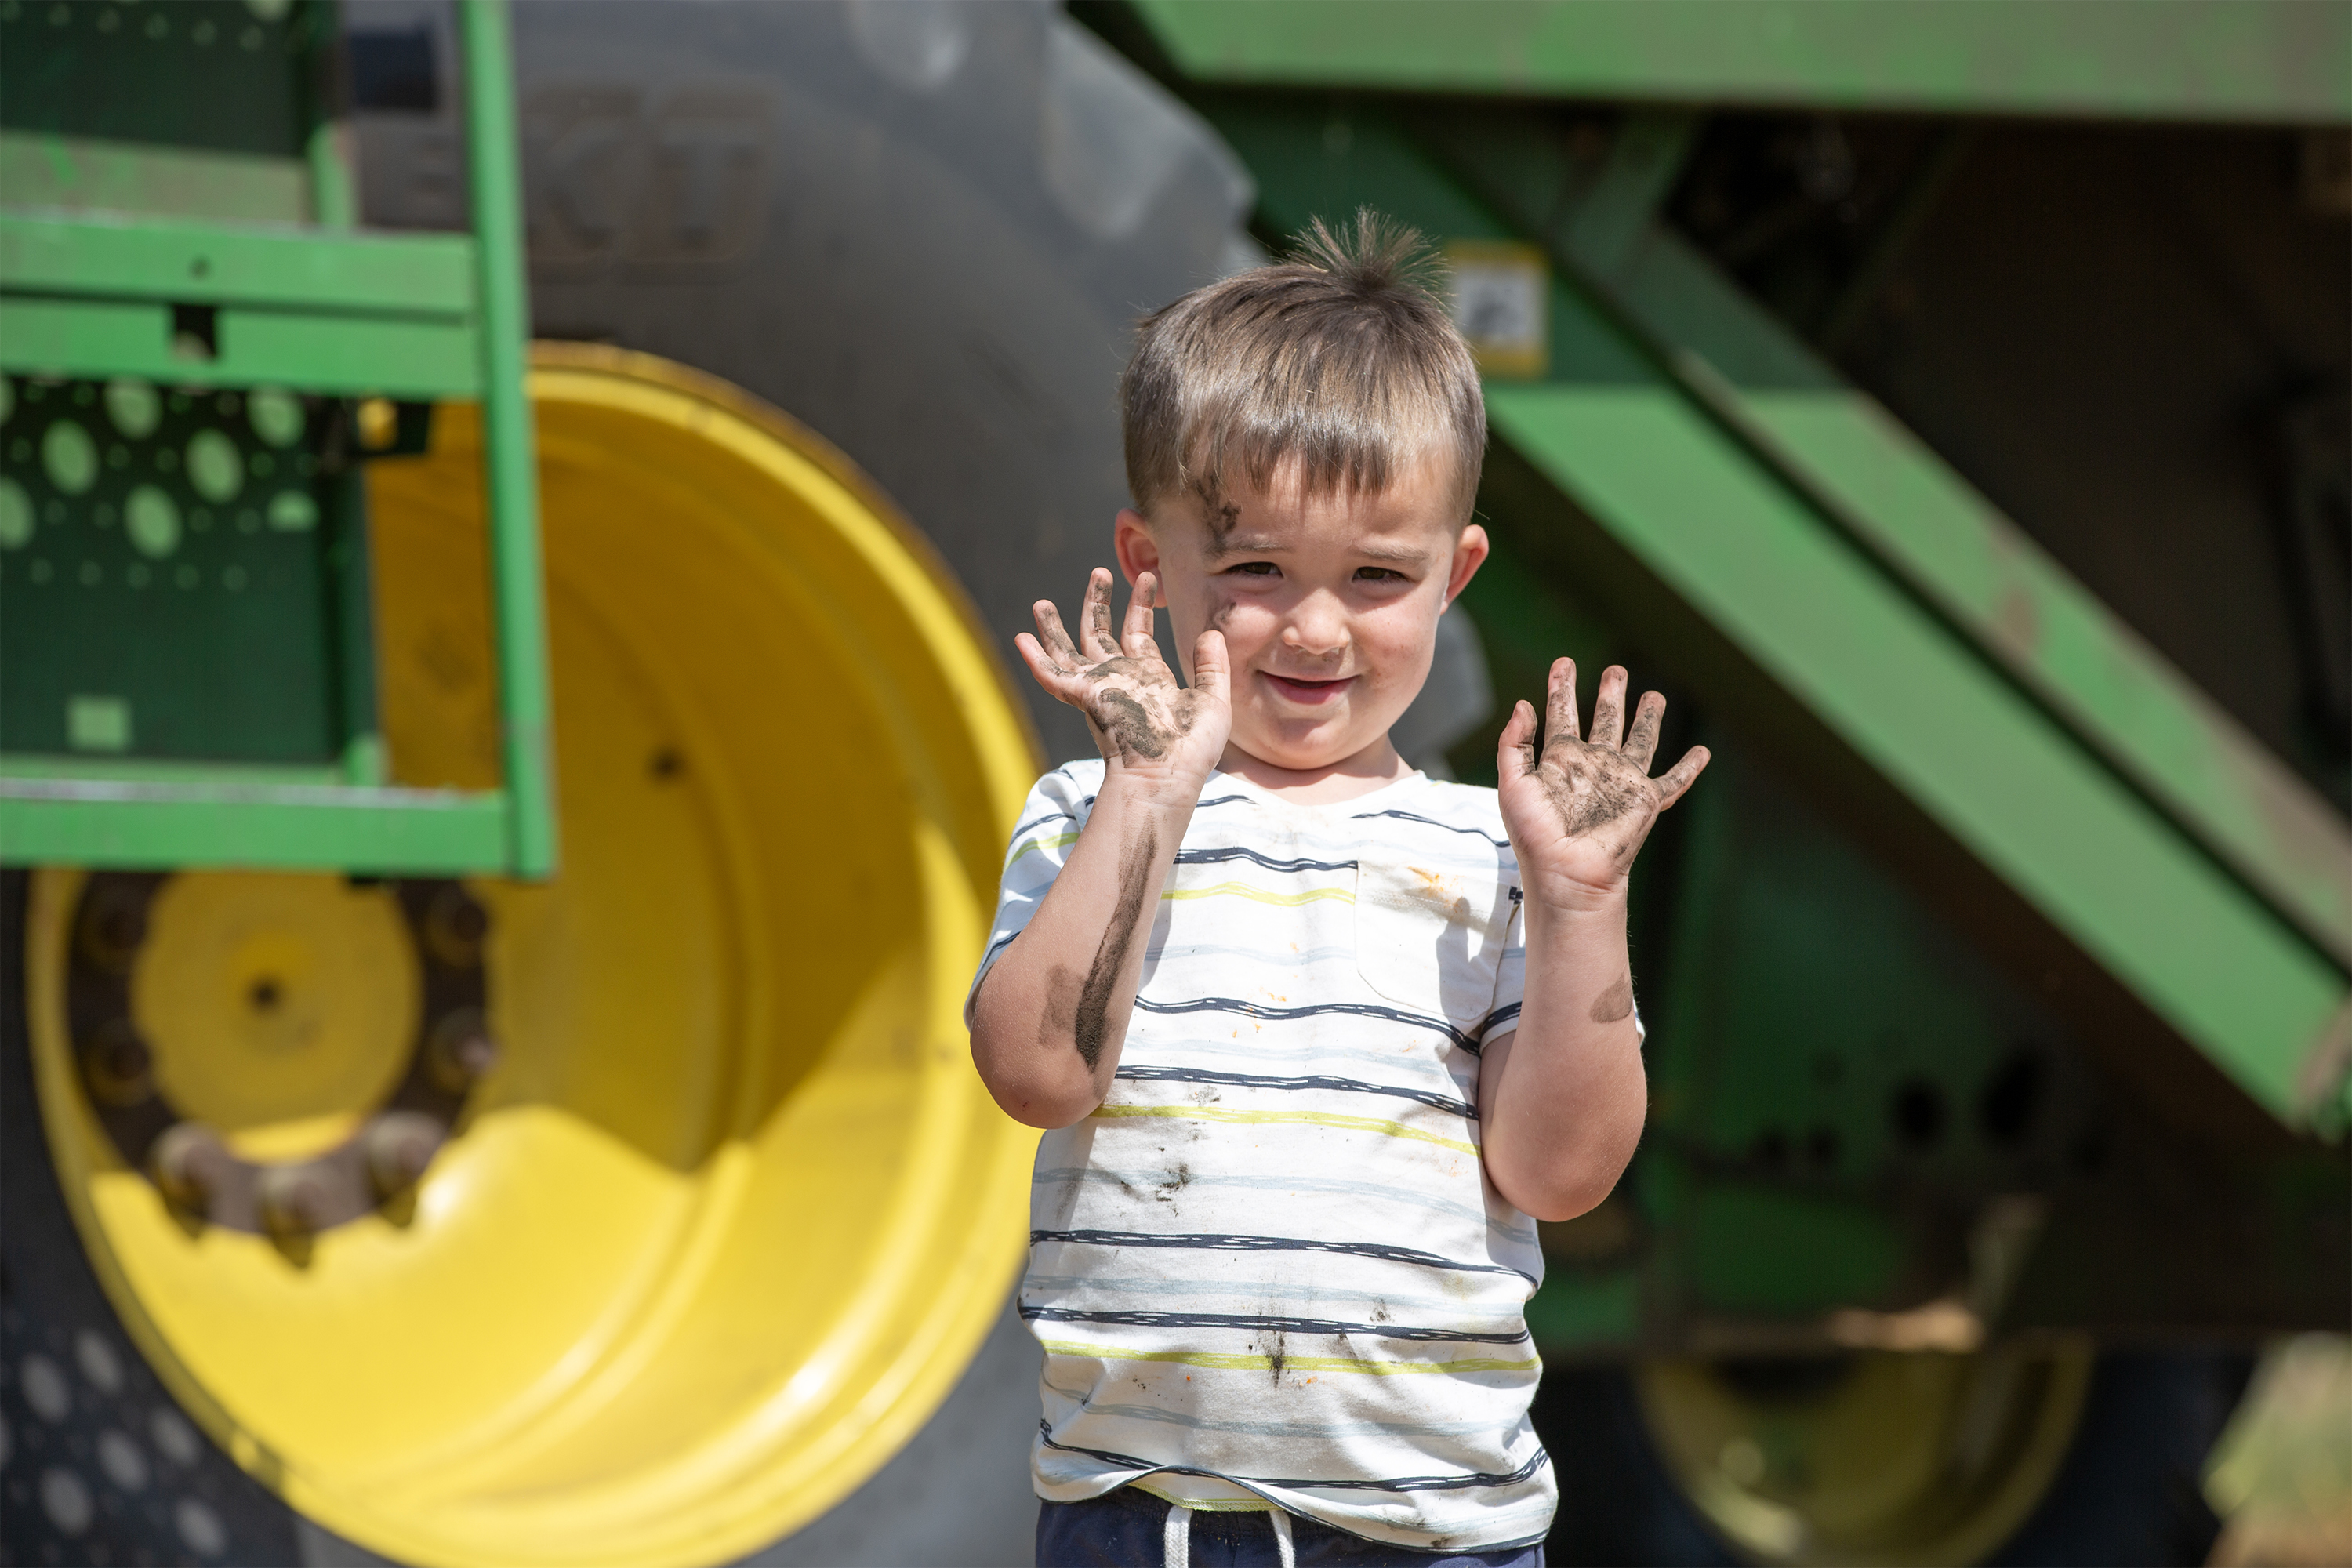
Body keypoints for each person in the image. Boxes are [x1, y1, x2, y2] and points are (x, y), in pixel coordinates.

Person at [967, 210, 1708, 1568]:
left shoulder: (1496, 857)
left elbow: (1561, 1171)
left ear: (1456, 575)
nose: (1315, 628)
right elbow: (1035, 1076)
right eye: (1254, 570)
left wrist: (1584, 905)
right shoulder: (1094, 813)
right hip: (1146, 1515)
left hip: (1430, 1529)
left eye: (1378, 577)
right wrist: (1144, 794)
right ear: (1150, 564)